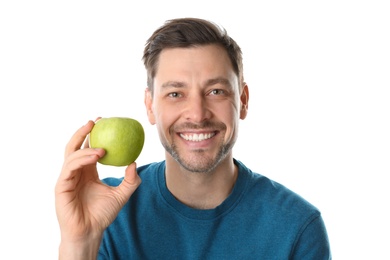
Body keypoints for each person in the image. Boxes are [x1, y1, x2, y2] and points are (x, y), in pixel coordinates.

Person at [55, 17, 331, 259]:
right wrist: (79, 243)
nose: (197, 114)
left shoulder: (296, 226)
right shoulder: (109, 213)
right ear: (150, 106)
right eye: (175, 94)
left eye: (216, 91)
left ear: (243, 101)